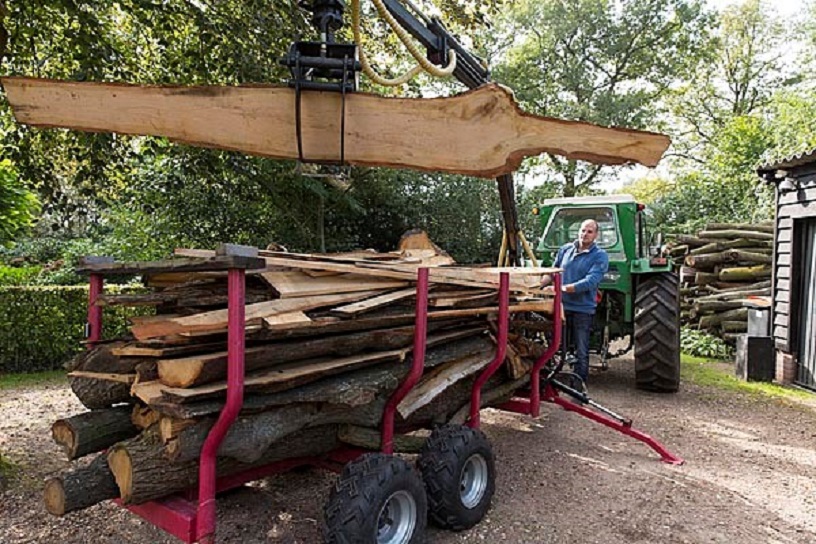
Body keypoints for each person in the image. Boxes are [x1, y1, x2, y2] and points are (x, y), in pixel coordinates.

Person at [541, 219, 609, 390]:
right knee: (555, 346)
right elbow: (553, 272)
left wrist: (561, 288)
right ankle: (552, 384)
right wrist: (539, 286)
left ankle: (577, 389)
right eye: (582, 230)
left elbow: (590, 281)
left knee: (581, 350)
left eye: (589, 232)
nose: (584, 234)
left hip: (582, 309)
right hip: (562, 307)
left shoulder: (600, 256)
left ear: (596, 235)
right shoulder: (565, 249)